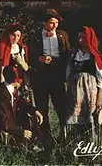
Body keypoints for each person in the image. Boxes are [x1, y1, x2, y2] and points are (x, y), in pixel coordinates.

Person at [28, 8, 71, 144]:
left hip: (57, 75)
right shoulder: (35, 36)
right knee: (42, 108)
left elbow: (67, 55)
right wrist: (40, 59)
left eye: (56, 23)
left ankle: (65, 135)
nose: (54, 26)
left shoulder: (62, 35)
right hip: (41, 76)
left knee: (61, 106)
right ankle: (46, 138)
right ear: (44, 23)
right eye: (52, 23)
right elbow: (29, 56)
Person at [64, 26, 102, 147]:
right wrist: (69, 85)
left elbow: (101, 76)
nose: (80, 40)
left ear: (89, 38)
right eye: (78, 37)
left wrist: (100, 94)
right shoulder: (74, 54)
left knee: (91, 116)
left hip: (90, 91)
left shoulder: (95, 55)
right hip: (76, 91)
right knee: (75, 116)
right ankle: (75, 144)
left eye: (83, 37)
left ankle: (92, 144)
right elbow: (69, 71)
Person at [0, 66, 46, 148]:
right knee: (25, 122)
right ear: (17, 80)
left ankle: (39, 142)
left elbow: (22, 104)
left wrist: (35, 111)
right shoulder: (2, 94)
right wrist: (22, 132)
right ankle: (33, 145)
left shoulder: (9, 89)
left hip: (6, 124)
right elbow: (4, 121)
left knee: (29, 116)